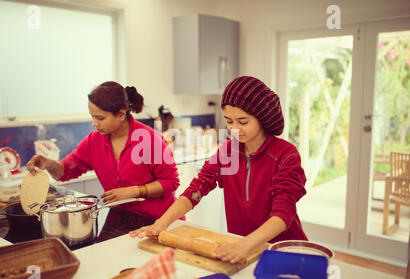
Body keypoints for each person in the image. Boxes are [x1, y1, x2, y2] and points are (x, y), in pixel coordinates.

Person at [130, 76, 308, 263]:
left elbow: (283, 214)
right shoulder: (228, 151)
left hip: (283, 251)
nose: (234, 129)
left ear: (263, 118)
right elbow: (196, 189)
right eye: (229, 121)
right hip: (241, 250)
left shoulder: (285, 155)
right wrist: (161, 224)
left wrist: (245, 245)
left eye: (243, 121)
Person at [27, 81, 179, 241]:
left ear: (121, 115)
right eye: (92, 117)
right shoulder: (94, 141)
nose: (94, 123)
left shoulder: (150, 140)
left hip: (158, 220)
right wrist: (49, 164)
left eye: (100, 118)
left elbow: (171, 182)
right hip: (119, 218)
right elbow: (65, 171)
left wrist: (134, 191)